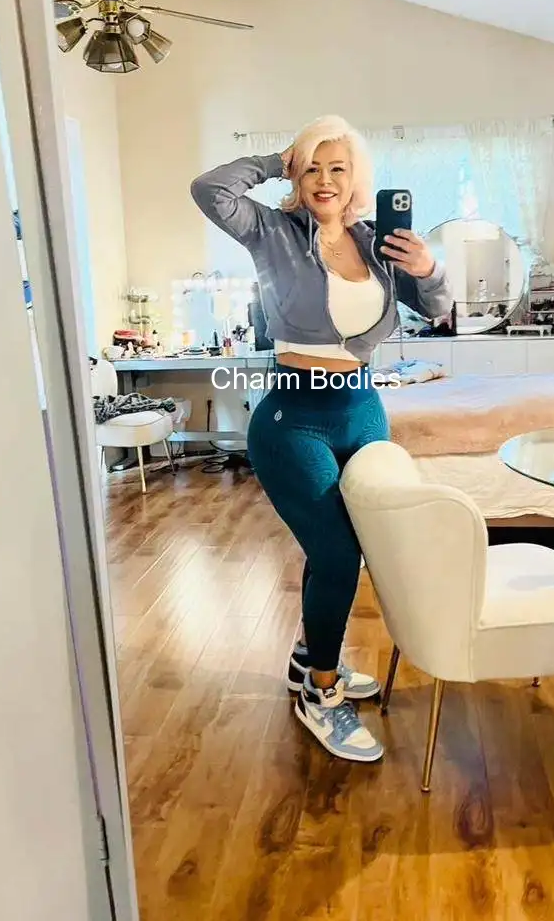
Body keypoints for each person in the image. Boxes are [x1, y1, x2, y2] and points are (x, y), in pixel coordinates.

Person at [191, 116, 453, 762]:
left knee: (338, 546)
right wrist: (277, 158)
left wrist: (428, 267)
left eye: (338, 167)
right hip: (294, 417)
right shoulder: (272, 231)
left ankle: (308, 658)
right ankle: (322, 691)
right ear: (296, 174)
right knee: (337, 555)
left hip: (363, 410)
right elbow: (209, 189)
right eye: (312, 167)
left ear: (356, 177)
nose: (325, 179)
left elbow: (437, 308)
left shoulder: (377, 242)